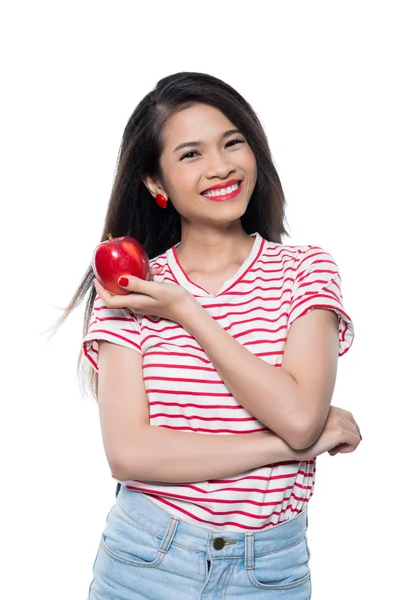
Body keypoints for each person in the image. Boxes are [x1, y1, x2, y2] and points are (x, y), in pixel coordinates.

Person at [57, 72, 361, 598]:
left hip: (271, 571)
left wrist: (190, 314)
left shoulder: (305, 271)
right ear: (156, 183)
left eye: (232, 142)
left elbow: (298, 416)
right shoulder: (130, 288)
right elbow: (130, 454)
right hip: (146, 563)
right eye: (191, 154)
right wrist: (290, 449)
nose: (220, 167)